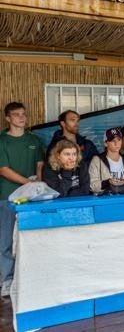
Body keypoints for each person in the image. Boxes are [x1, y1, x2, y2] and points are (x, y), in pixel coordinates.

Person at [0, 102, 44, 297]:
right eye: (16, 115)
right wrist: (28, 182)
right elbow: (3, 169)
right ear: (8, 118)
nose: (22, 118)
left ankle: (29, 277)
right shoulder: (2, 140)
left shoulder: (33, 139)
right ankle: (7, 280)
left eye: (23, 114)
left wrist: (38, 183)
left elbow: (40, 164)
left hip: (32, 197)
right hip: (7, 197)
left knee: (32, 238)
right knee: (6, 240)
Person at [89, 128, 124, 195]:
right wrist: (108, 182)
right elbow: (91, 185)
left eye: (119, 140)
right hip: (105, 201)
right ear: (105, 143)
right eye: (113, 141)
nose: (116, 143)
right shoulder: (97, 160)